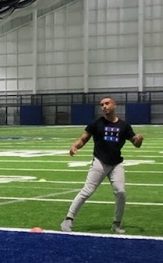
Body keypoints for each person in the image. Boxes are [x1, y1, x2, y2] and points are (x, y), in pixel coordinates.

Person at [61, 97, 144, 234]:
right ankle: (68, 219)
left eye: (107, 103)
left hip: (116, 164)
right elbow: (83, 138)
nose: (104, 106)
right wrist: (75, 146)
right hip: (100, 162)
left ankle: (116, 224)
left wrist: (139, 140)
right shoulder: (97, 123)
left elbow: (136, 144)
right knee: (87, 191)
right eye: (102, 105)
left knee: (121, 192)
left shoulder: (124, 126)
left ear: (114, 105)